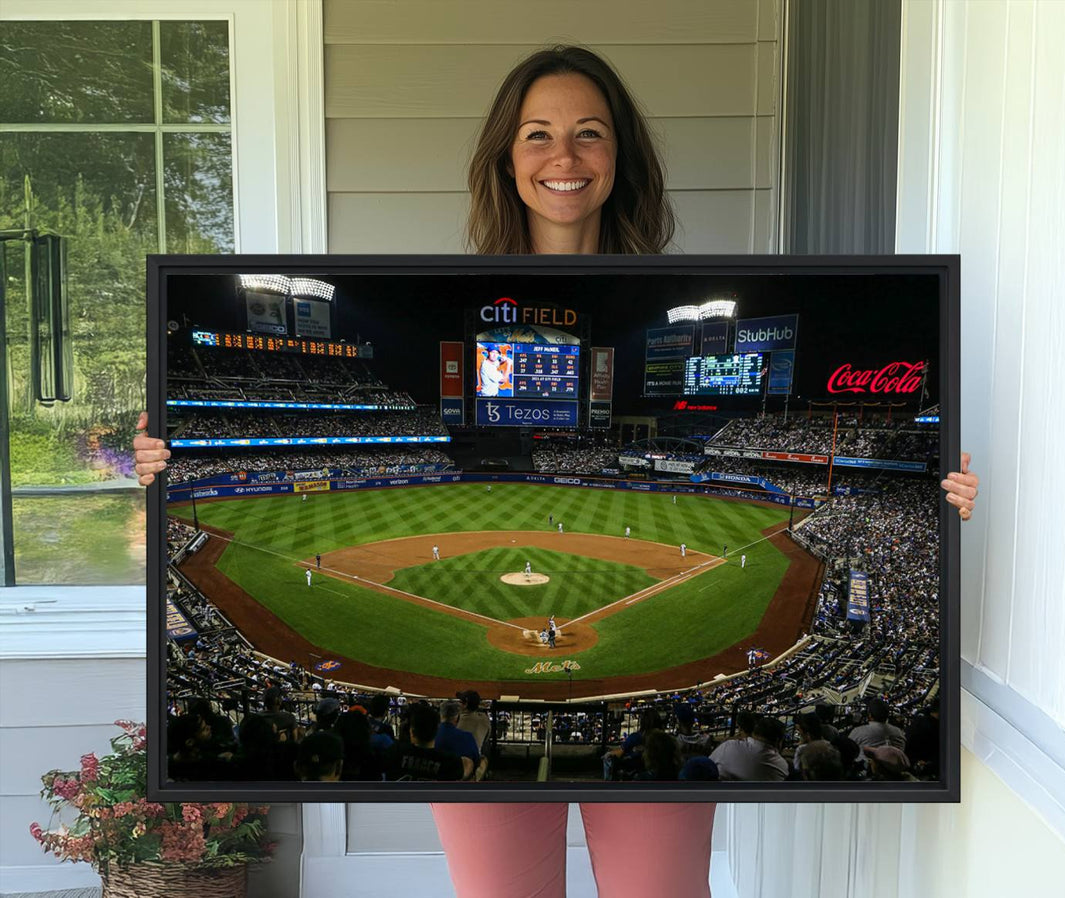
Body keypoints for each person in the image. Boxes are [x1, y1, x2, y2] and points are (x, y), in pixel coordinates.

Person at [132, 42, 981, 898]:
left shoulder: (674, 287)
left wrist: (944, 497)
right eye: (537, 134)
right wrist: (156, 462)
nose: (563, 156)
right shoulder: (449, 280)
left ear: (621, 157)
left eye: (590, 133)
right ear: (506, 157)